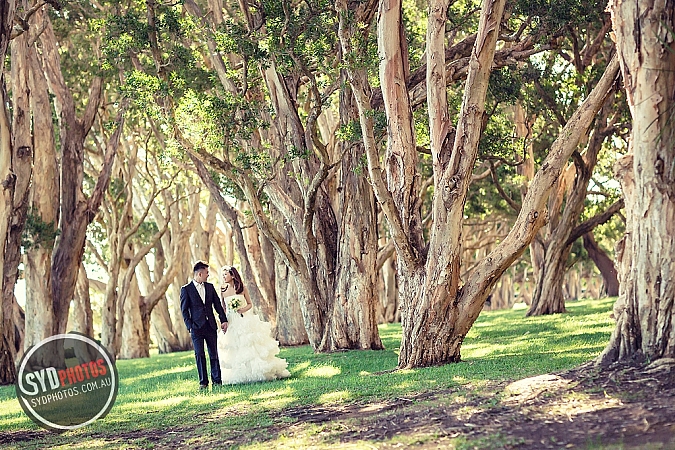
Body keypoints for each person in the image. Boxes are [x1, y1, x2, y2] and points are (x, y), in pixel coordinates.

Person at [217, 265, 290, 384]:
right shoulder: (223, 290)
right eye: (223, 275)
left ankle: (256, 371)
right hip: (231, 321)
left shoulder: (242, 288)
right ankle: (239, 373)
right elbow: (223, 308)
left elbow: (250, 304)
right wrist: (223, 321)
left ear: (232, 275)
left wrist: (242, 309)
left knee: (248, 344)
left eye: (225, 274)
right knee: (235, 346)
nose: (224, 277)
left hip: (243, 319)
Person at [180, 261, 228, 390]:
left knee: (214, 354)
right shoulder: (186, 289)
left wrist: (223, 320)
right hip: (196, 328)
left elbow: (217, 305)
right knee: (199, 354)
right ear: (200, 274)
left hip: (210, 325)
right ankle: (203, 382)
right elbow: (184, 311)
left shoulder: (210, 287)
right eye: (207, 273)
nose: (208, 275)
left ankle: (217, 381)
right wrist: (190, 326)